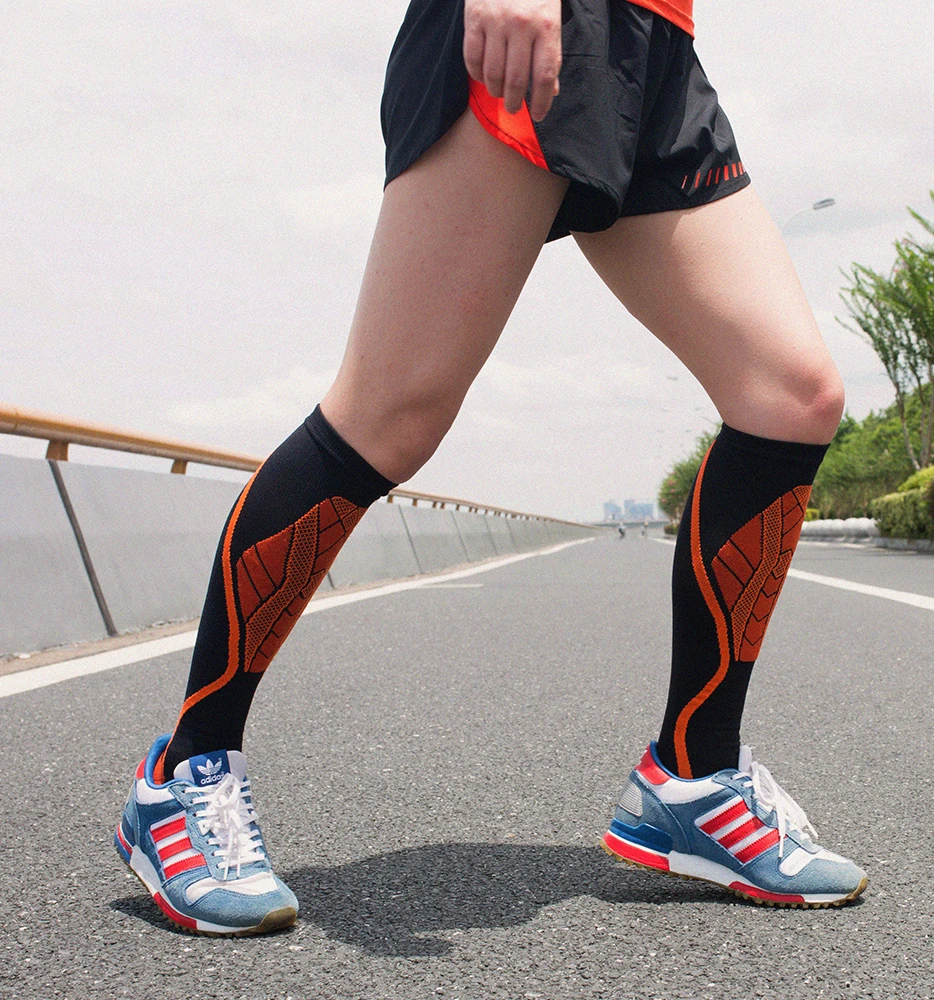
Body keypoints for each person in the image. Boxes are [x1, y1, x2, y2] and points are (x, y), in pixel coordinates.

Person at [114, 0, 866, 936]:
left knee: (790, 398)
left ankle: (695, 775)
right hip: (546, 19)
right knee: (388, 418)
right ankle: (183, 773)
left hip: (655, 40)